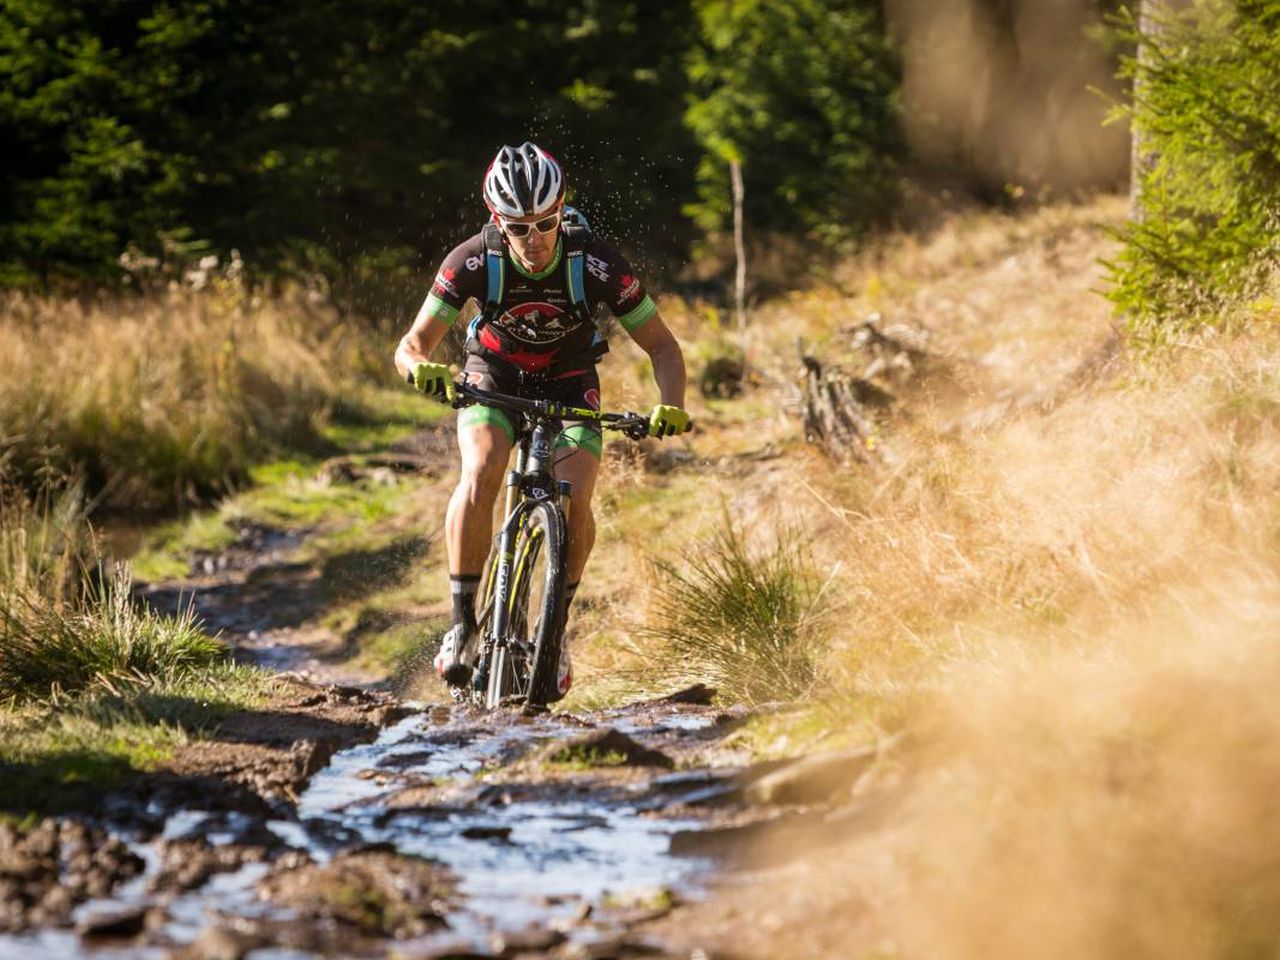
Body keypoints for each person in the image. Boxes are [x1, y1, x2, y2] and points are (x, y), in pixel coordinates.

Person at [394, 141, 691, 700]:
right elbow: (412, 343)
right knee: (482, 468)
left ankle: (555, 631)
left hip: (569, 380)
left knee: (577, 497)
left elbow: (663, 347)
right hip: (493, 376)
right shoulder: (473, 260)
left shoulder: (595, 261)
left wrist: (670, 403)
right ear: (496, 221)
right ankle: (462, 624)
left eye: (546, 223)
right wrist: (420, 369)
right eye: (518, 227)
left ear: (563, 212)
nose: (533, 239)